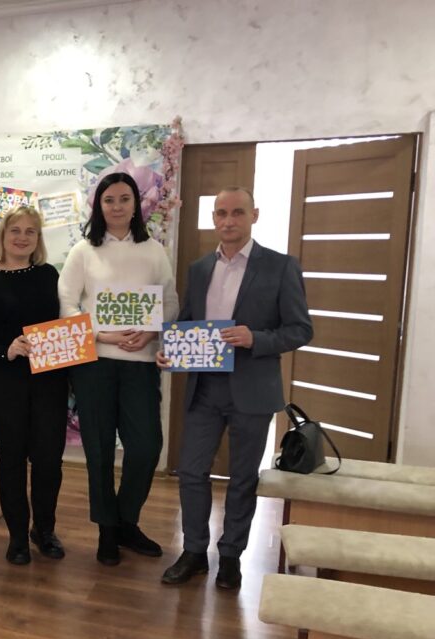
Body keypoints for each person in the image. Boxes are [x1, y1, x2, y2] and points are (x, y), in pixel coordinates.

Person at [159, 186, 312, 590]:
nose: (228, 221)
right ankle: (194, 551)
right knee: (191, 472)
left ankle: (231, 557)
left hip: (252, 390)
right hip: (204, 388)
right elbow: (189, 322)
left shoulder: (281, 267)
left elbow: (300, 329)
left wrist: (255, 338)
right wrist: (170, 350)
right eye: (221, 213)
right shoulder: (199, 269)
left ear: (254, 215)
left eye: (237, 212)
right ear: (214, 218)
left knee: (242, 478)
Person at [59, 172, 179, 566]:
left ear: (135, 204)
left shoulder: (153, 250)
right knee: (98, 450)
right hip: (94, 364)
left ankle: (127, 520)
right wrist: (101, 334)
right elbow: (67, 303)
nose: (116, 206)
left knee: (146, 447)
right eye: (108, 200)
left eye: (124, 199)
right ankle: (107, 530)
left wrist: (151, 332)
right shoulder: (84, 251)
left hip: (140, 365)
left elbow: (170, 301)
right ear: (99, 205)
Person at [0, 206, 68, 565]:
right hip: (1, 380)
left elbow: (64, 322)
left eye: (30, 232)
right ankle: (17, 538)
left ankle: (44, 530)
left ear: (38, 238)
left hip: (49, 379)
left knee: (48, 460)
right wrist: (4, 347)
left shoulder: (49, 275)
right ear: (4, 235)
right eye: (15, 231)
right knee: (11, 458)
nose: (22, 238)